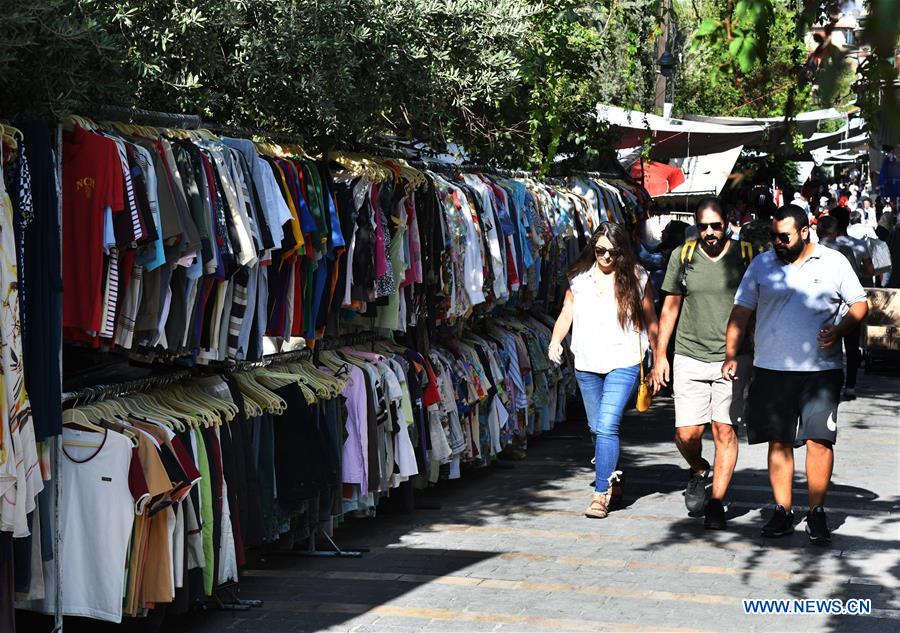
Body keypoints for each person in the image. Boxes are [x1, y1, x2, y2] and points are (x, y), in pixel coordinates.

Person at [722, 204, 868, 545]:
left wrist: (839, 329)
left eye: (784, 236)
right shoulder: (762, 264)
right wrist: (730, 354)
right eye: (774, 236)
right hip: (771, 369)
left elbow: (860, 304)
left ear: (804, 232)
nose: (778, 242)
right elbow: (741, 311)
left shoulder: (833, 262)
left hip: (821, 370)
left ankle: (816, 512)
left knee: (819, 440)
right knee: (779, 440)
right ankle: (783, 511)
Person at [651, 198, 754, 530]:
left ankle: (716, 502)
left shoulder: (746, 256)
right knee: (687, 433)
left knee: (724, 429)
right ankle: (698, 468)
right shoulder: (683, 256)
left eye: (716, 225)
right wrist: (660, 356)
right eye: (703, 226)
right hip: (689, 353)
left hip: (733, 357)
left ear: (728, 223)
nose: (710, 232)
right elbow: (670, 307)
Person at [548, 222, 659, 520]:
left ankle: (601, 494)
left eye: (613, 251)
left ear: (622, 251)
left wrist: (659, 357)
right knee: (596, 428)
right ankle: (614, 475)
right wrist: (555, 340)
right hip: (587, 362)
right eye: (600, 251)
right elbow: (567, 313)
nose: (607, 256)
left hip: (624, 360)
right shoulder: (578, 278)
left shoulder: (637, 276)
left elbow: (651, 318)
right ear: (593, 249)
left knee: (608, 425)